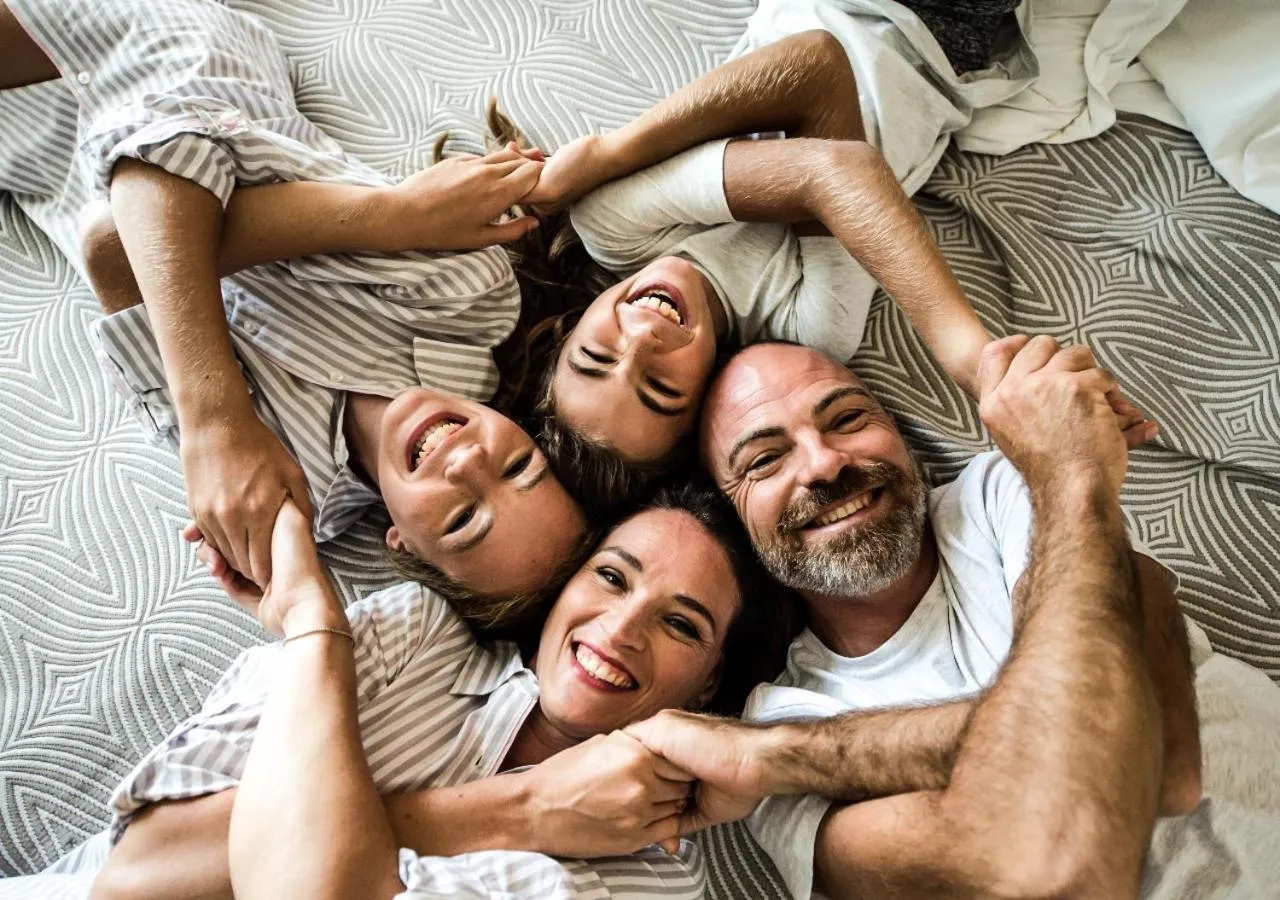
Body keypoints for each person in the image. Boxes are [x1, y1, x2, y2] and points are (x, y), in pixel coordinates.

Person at [0, 0, 590, 614]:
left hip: (45, 164)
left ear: (403, 546)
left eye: (463, 518)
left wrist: (395, 220)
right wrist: (216, 416)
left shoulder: (285, 500)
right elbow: (174, 146)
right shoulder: (469, 305)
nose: (469, 462)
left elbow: (110, 245)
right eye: (518, 465)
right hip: (158, 61)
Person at [615, 337, 1217, 898]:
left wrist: (777, 758)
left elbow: (1168, 769)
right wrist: (1074, 478)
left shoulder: (1016, 488)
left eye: (848, 419)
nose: (824, 464)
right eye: (766, 460)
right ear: (735, 527)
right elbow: (1050, 866)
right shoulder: (778, 718)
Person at [9, 481, 787, 900]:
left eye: (680, 624)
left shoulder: (653, 876)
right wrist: (520, 809)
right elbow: (139, 876)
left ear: (709, 683)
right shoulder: (411, 635)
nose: (620, 628)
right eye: (611, 577)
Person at [493, 19, 1028, 511]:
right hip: (943, 54)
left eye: (594, 356)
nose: (640, 339)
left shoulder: (613, 228)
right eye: (660, 387)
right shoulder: (808, 330)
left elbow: (817, 68)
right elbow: (834, 164)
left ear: (570, 330)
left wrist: (969, 357)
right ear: (706, 398)